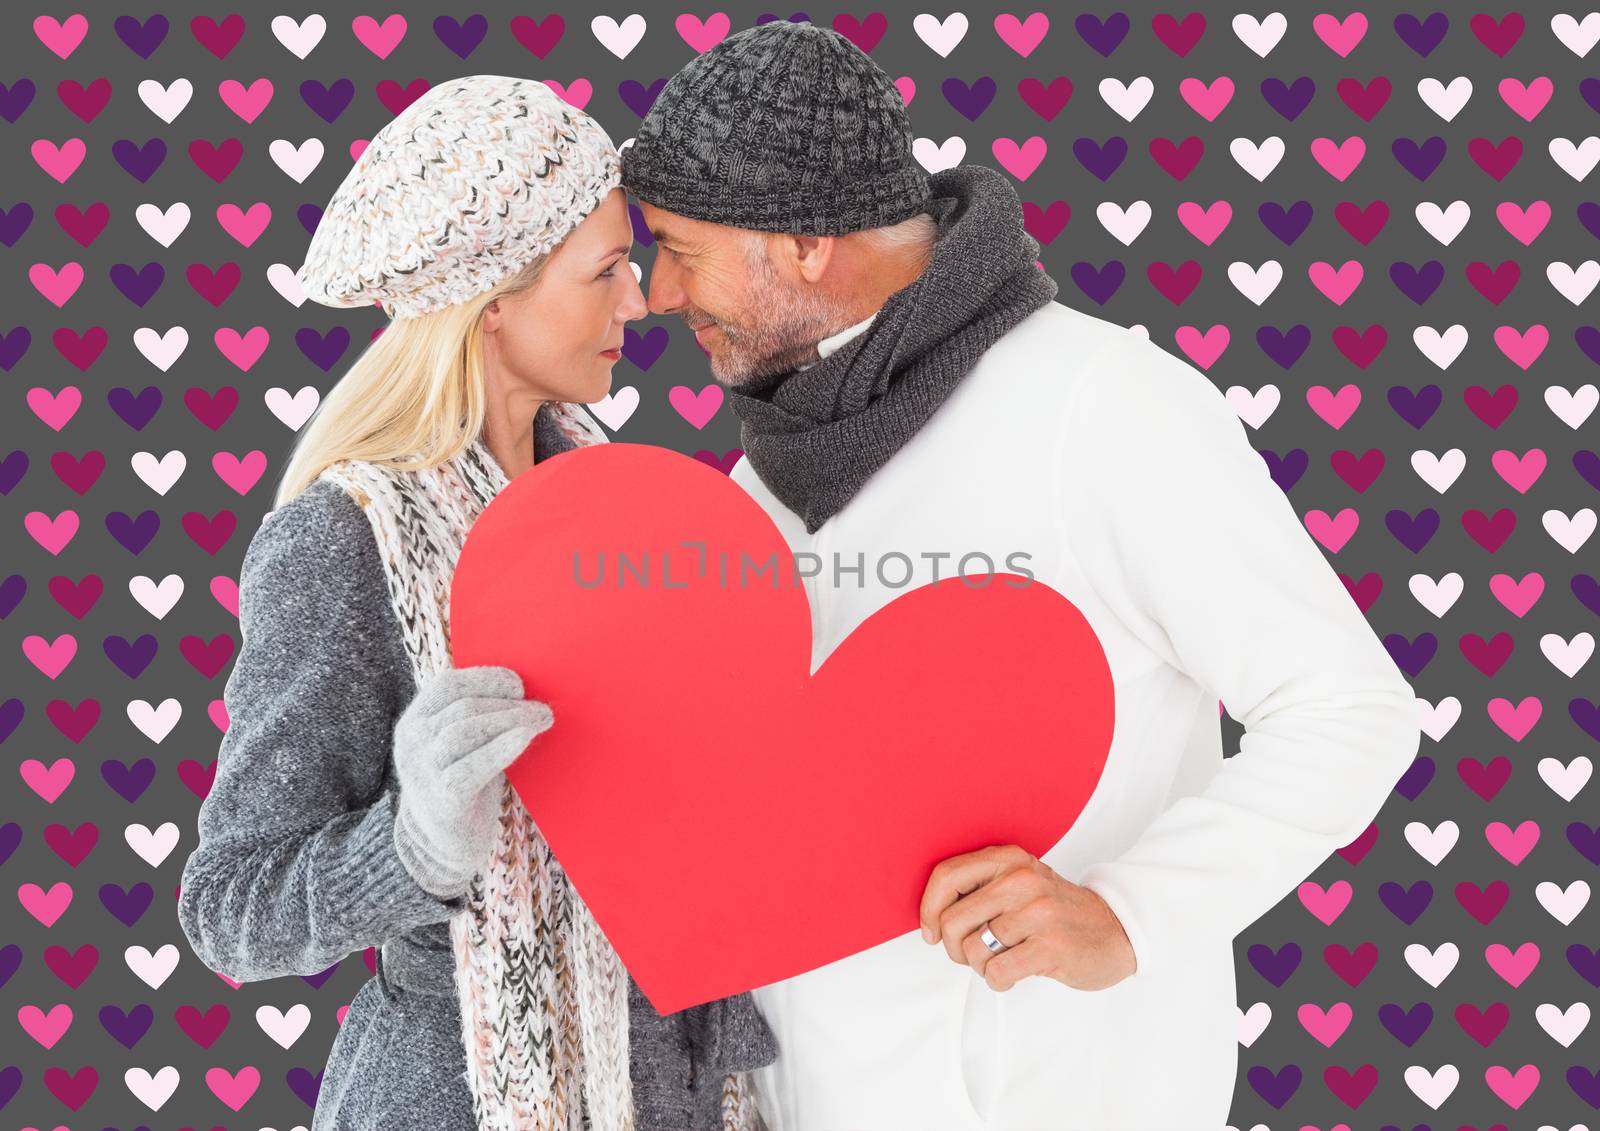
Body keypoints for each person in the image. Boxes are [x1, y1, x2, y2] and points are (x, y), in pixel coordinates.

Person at [618, 22, 1423, 1131]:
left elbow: (1350, 710)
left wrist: (1128, 915)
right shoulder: (761, 487)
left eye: (679, 247)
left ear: (800, 245)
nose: (657, 293)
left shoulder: (1104, 409)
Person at [176, 75, 777, 1131]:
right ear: (491, 302)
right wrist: (418, 844)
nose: (637, 302)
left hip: (673, 1091)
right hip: (458, 1100)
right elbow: (232, 911)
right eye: (603, 273)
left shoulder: (613, 509)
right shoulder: (343, 540)